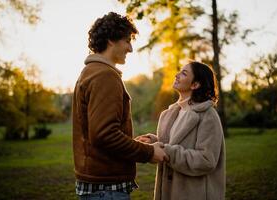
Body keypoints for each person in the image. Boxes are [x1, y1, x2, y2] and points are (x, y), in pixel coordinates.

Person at [72, 12, 167, 200]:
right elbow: (104, 134)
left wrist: (132, 143)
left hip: (100, 186)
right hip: (106, 189)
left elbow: (99, 131)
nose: (130, 48)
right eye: (127, 41)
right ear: (111, 41)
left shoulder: (90, 72)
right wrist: (148, 153)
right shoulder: (104, 76)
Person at [137, 61, 226, 200]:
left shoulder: (208, 115)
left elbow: (206, 160)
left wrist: (166, 151)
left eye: (184, 73)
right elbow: (173, 143)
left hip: (194, 193)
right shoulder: (171, 113)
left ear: (195, 85)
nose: (177, 75)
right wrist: (155, 142)